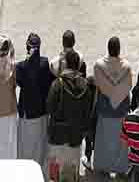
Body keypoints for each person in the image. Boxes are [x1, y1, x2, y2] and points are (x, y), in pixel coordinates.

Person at [47, 50, 91, 182]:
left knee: (56, 173)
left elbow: (49, 107)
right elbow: (87, 112)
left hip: (58, 136)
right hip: (75, 136)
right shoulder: (85, 85)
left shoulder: (58, 84)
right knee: (72, 172)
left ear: (66, 64)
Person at [92, 36, 132, 175]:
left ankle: (103, 168)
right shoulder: (126, 67)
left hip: (105, 109)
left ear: (108, 49)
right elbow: (128, 87)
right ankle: (120, 169)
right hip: (121, 110)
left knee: (104, 141)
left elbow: (98, 85)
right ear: (119, 49)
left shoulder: (99, 66)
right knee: (121, 143)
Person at [17, 33, 54, 174]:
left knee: (25, 146)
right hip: (41, 113)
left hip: (27, 114)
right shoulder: (45, 63)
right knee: (40, 146)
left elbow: (20, 82)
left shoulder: (21, 66)